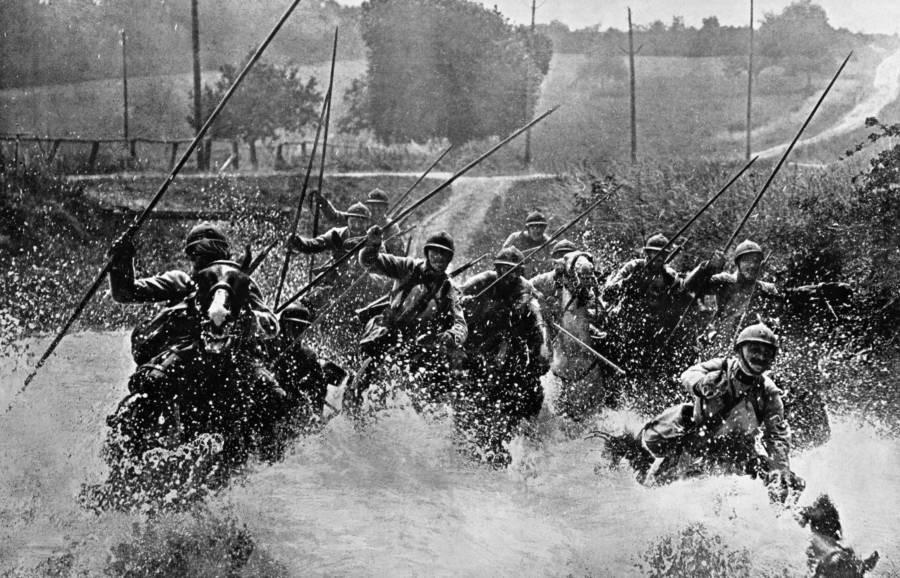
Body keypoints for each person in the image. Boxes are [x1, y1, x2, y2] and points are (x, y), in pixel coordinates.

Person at [107, 221, 281, 400]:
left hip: (235, 356)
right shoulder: (179, 281)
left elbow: (272, 326)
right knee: (151, 385)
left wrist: (248, 316)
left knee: (274, 395)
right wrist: (122, 258)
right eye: (198, 255)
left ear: (224, 254)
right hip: (181, 355)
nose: (202, 262)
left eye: (209, 255)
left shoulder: (242, 285)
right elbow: (124, 292)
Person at [639, 323, 800, 498]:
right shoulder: (722, 366)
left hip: (734, 454)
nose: (760, 357)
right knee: (659, 486)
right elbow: (689, 374)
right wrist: (702, 384)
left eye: (767, 353)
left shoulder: (768, 391)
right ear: (739, 351)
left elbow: (777, 435)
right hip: (696, 441)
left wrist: (781, 467)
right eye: (754, 350)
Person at [349, 228, 468, 410]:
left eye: (444, 254)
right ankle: (352, 403)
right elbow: (370, 262)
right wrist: (372, 245)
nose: (439, 258)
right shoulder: (407, 267)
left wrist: (452, 335)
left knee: (427, 384)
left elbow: (461, 323)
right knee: (365, 372)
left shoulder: (448, 289)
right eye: (435, 252)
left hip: (417, 343)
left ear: (449, 259)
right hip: (386, 332)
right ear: (427, 252)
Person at [694, 239, 853, 356]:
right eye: (747, 261)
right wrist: (708, 268)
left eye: (756, 261)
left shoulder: (765, 288)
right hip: (722, 341)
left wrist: (820, 290)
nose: (752, 265)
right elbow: (694, 287)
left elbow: (790, 296)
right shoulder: (725, 280)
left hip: (752, 343)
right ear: (738, 263)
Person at [601, 233, 723, 371]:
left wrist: (704, 269)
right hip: (623, 325)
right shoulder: (633, 267)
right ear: (647, 253)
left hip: (650, 332)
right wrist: (629, 282)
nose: (660, 258)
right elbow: (607, 294)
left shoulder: (669, 275)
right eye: (656, 253)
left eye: (663, 255)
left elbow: (684, 291)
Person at [459, 246, 550, 424]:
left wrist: (541, 351)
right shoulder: (485, 280)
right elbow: (457, 293)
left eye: (514, 270)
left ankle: (525, 424)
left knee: (529, 389)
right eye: (505, 269)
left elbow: (536, 318)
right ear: (497, 268)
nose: (510, 274)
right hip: (479, 340)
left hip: (511, 343)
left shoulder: (524, 287)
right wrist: (464, 300)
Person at [315, 188, 405, 254]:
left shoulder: (391, 227)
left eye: (379, 207)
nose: (375, 210)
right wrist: (324, 204)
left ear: (386, 208)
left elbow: (396, 253)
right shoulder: (361, 219)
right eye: (373, 206)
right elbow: (336, 217)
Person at [502, 210, 552, 276]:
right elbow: (502, 256)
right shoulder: (515, 238)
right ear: (528, 228)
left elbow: (552, 263)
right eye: (533, 227)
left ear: (544, 228)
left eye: (540, 227)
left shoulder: (549, 242)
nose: (537, 231)